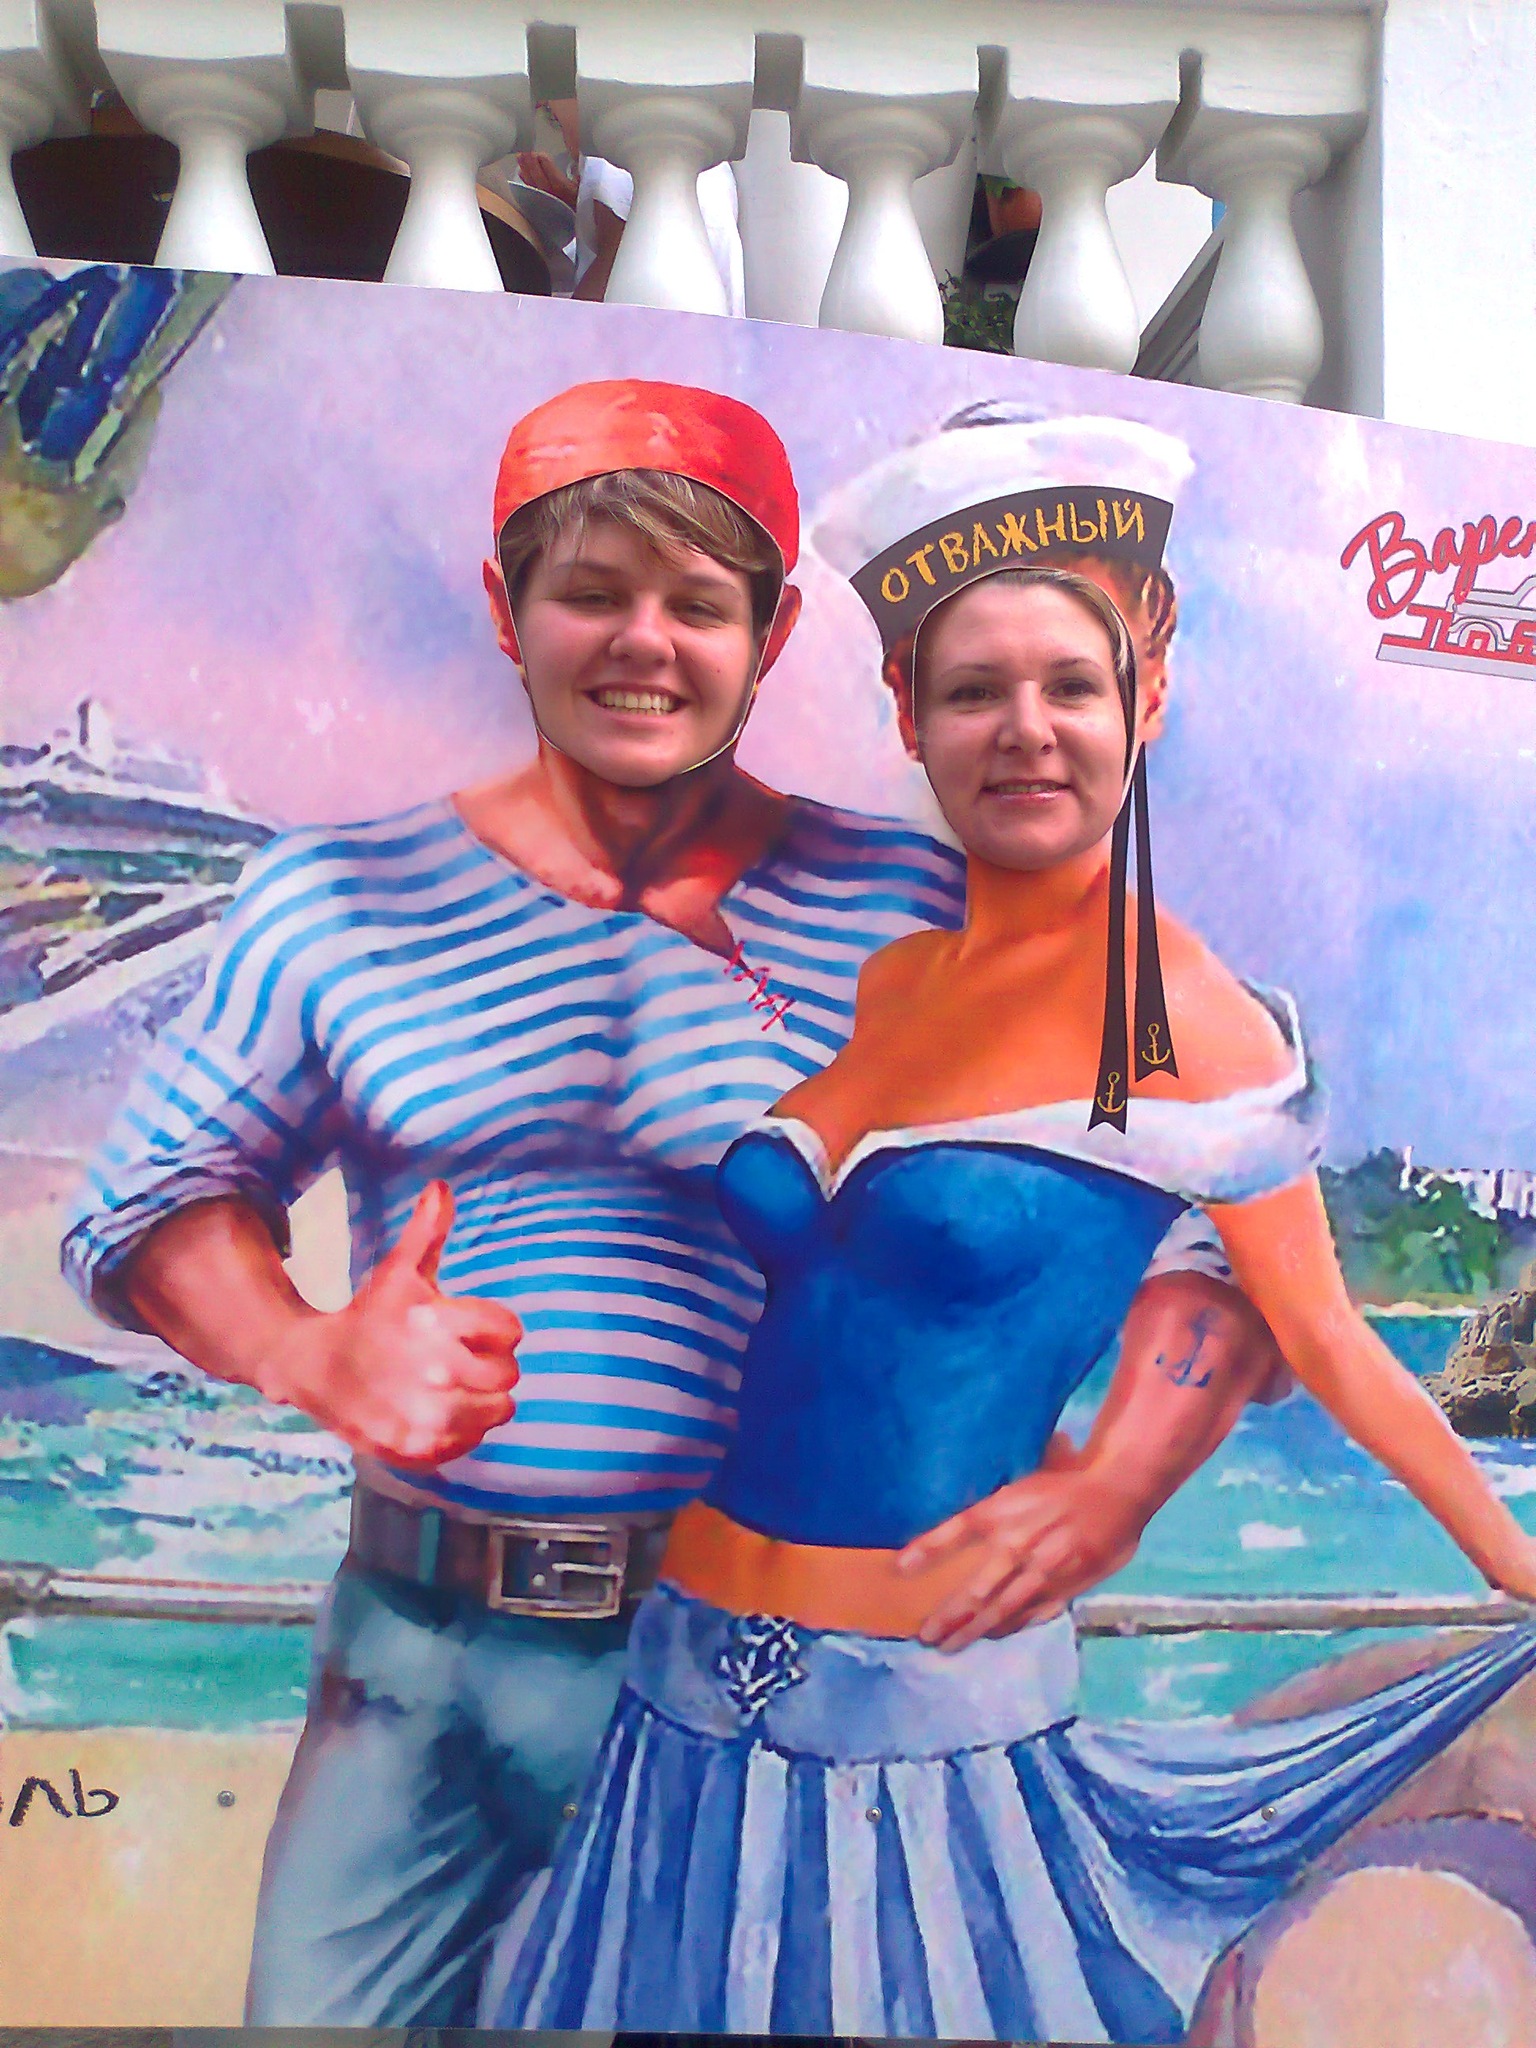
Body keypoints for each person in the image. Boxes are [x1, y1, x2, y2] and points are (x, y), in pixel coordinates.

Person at [63, 381, 1282, 2027]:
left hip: (761, 1686)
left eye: (698, 604)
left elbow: (1213, 1209)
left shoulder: (929, 912)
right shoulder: (332, 901)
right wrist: (307, 1348)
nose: (644, 643)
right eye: (591, 592)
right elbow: (153, 1199)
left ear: (772, 635)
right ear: (506, 609)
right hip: (414, 1662)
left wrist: (1123, 1474)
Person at [487, 427, 1536, 2043]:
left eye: (1071, 686)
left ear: (1146, 700)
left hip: (922, 1742)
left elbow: (1330, 1342)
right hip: (681, 1701)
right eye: (975, 690)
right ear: (908, 710)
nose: (1026, 730)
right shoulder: (899, 979)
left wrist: (1514, 1560)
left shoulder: (1186, 1016)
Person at [519, 99, 745, 310]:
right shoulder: (679, 140)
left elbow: (612, 270)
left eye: (557, 121)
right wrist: (578, 203)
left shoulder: (612, 150)